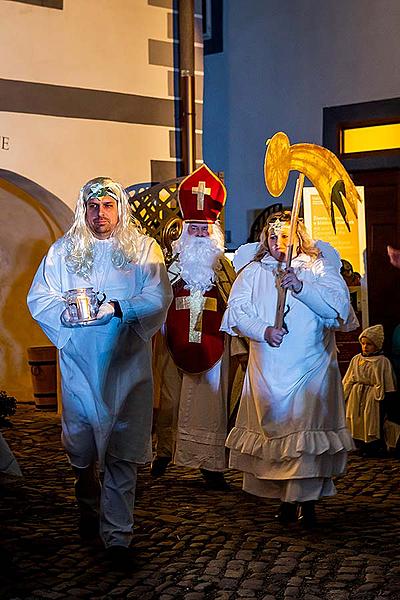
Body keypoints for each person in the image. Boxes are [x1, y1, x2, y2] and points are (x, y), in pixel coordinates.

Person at [27, 177, 172, 568]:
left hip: (126, 366)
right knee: (83, 448)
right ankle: (86, 498)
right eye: (93, 206)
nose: (100, 214)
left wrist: (118, 309)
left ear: (120, 208)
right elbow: (39, 296)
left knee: (122, 451)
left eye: (108, 206)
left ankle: (118, 538)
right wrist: (65, 314)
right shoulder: (65, 252)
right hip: (80, 365)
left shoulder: (142, 250)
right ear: (83, 209)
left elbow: (158, 296)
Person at [221, 210, 354, 527]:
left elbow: (339, 311)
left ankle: (305, 502)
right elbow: (238, 312)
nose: (278, 242)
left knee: (306, 431)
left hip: (312, 366)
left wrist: (301, 287)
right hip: (270, 368)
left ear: (299, 237)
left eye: (285, 235)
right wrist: (263, 330)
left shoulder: (319, 268)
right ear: (264, 242)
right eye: (272, 236)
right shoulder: (254, 273)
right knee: (279, 434)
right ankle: (284, 498)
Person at [152, 164, 247, 489]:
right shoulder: (171, 265)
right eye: (193, 228)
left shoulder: (222, 266)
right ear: (184, 231)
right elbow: (157, 299)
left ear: (215, 232)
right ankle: (165, 452)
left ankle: (212, 466)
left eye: (204, 229)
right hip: (175, 344)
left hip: (213, 348)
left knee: (210, 405)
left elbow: (235, 302)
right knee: (171, 401)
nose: (199, 234)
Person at [343, 324, 397, 456]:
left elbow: (388, 381)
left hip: (372, 396)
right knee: (356, 419)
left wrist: (388, 395)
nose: (365, 347)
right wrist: (344, 394)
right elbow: (349, 378)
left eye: (369, 344)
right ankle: (358, 444)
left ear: (377, 345)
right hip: (356, 394)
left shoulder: (382, 361)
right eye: (363, 344)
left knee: (370, 420)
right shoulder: (356, 359)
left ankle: (372, 446)